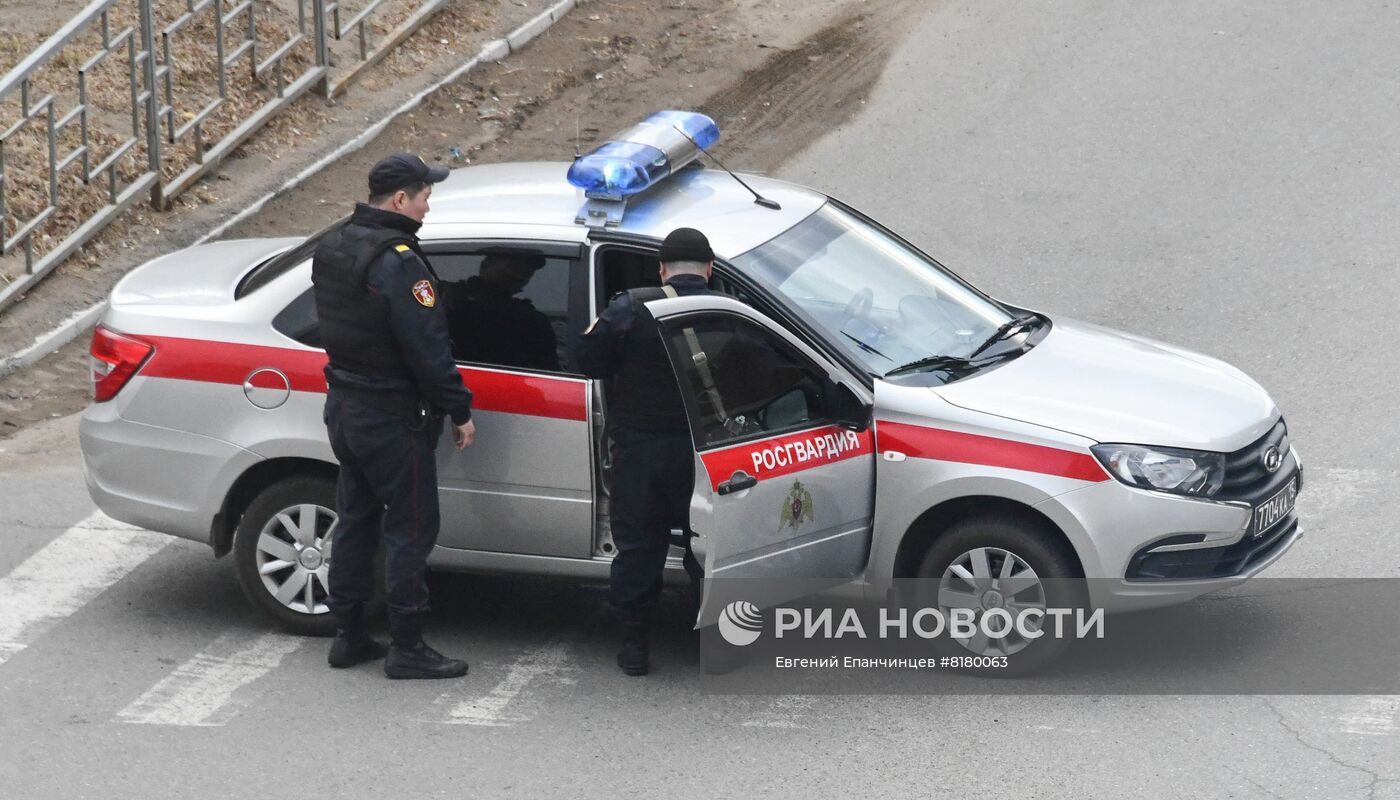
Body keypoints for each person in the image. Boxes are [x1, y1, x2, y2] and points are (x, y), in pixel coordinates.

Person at [312, 153, 475, 680]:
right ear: (401, 199)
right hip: (390, 415)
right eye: (425, 195)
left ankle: (349, 634)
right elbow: (428, 347)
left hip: (345, 407)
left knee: (356, 520)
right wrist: (459, 409)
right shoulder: (399, 260)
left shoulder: (336, 242)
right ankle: (407, 644)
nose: (429, 205)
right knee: (410, 527)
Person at [575, 227, 718, 676]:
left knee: (638, 548)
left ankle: (634, 645)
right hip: (706, 454)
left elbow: (586, 360)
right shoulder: (727, 311)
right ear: (710, 271)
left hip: (640, 453)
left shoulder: (630, 307)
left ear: (661, 268)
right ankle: (712, 641)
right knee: (709, 548)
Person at [446, 251, 561, 371]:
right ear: (485, 265)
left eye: (528, 272)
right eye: (514, 267)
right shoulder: (449, 303)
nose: (520, 275)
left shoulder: (530, 319)